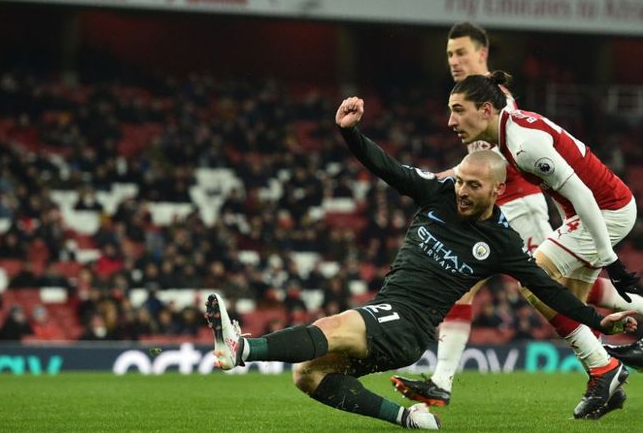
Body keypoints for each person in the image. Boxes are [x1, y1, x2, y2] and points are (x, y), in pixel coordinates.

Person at [205, 96, 637, 430]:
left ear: (497, 190)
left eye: (473, 186)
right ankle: (409, 419)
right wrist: (350, 134)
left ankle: (242, 348)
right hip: (389, 310)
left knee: (333, 327)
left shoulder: (503, 242)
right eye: (461, 181)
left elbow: (550, 291)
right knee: (307, 375)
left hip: (410, 327)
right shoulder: (439, 193)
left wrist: (602, 324)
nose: (463, 191)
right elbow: (388, 168)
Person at [392, 22, 643, 410]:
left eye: (461, 53)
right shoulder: (487, 115)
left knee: (546, 286)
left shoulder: (502, 116)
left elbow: (566, 184)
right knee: (544, 291)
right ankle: (601, 366)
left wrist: (610, 259)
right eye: (448, 54)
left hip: (523, 206)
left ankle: (602, 366)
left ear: (482, 54)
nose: (454, 61)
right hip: (522, 207)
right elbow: (476, 167)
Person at [446, 70, 643, 417]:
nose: (451, 120)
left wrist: (608, 257)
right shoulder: (508, 133)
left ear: (486, 110)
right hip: (589, 213)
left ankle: (605, 370)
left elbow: (582, 193)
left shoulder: (523, 144)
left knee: (533, 281)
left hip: (605, 211)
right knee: (570, 301)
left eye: (459, 109)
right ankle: (604, 382)